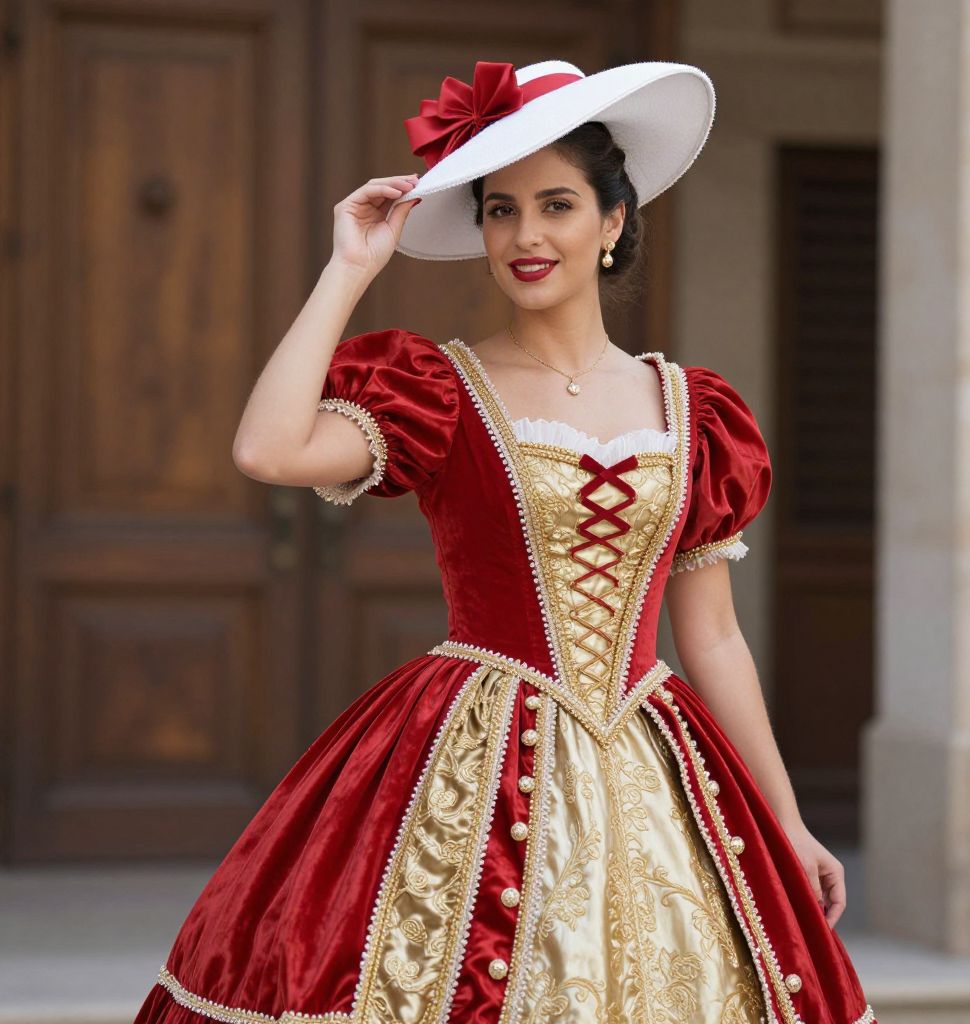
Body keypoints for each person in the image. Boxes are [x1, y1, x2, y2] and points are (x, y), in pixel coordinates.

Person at [132, 59, 875, 1024]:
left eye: (557, 205)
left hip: (654, 765)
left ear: (612, 222)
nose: (525, 236)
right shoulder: (439, 391)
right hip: (472, 763)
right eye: (500, 211)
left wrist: (785, 819)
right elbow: (267, 449)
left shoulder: (697, 412)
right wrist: (349, 269)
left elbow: (716, 637)